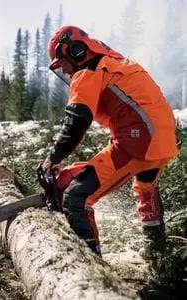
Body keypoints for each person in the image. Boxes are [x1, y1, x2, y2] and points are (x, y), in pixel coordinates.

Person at [41, 25, 179, 257]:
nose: (63, 71)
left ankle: (92, 271)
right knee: (146, 188)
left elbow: (77, 120)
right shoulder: (116, 63)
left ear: (75, 51)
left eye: (61, 62)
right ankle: (158, 256)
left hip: (139, 141)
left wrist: (52, 158)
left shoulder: (89, 70)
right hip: (162, 139)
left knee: (76, 197)